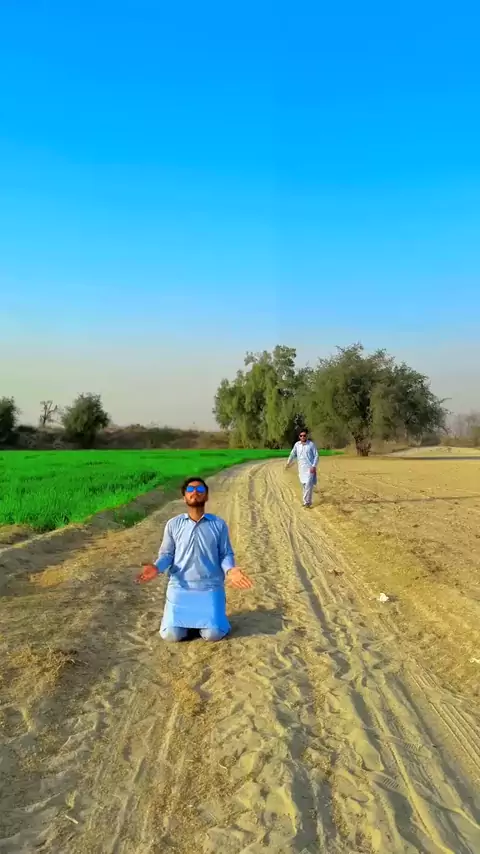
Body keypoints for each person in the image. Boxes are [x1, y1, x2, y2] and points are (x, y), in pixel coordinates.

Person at [136, 477, 252, 642]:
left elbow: (225, 554)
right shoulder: (173, 524)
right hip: (180, 588)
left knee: (213, 634)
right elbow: (167, 555)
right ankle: (190, 624)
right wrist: (156, 567)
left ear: (206, 496)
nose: (195, 492)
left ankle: (205, 622)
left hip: (210, 588)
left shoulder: (218, 524)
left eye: (200, 490)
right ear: (184, 497)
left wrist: (230, 570)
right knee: (171, 635)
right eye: (190, 490)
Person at [285, 429, 319, 508]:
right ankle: (306, 501)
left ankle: (307, 502)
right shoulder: (297, 445)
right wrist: (288, 462)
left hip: (310, 468)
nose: (303, 437)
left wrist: (314, 466)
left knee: (308, 485)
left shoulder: (311, 444)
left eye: (304, 435)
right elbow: (292, 454)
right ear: (299, 437)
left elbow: (316, 455)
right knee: (304, 485)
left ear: (306, 436)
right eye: (301, 436)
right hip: (301, 469)